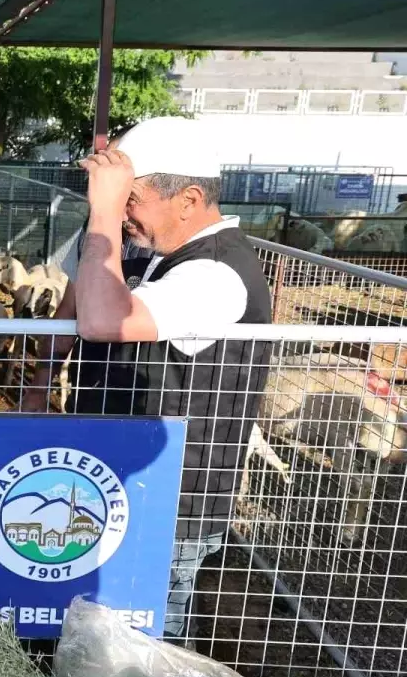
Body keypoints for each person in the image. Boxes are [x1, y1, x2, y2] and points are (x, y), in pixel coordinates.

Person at [24, 117, 272, 642]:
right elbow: (73, 311)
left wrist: (105, 217)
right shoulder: (142, 247)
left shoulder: (218, 273)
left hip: (173, 504)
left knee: (148, 650)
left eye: (129, 198)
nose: (119, 211)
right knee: (98, 635)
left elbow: (101, 321)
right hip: (114, 483)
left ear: (187, 199)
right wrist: (42, 378)